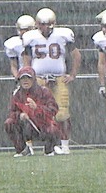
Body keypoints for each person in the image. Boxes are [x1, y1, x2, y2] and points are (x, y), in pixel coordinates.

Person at [22, 8, 81, 155]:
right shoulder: (31, 37)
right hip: (38, 80)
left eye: (48, 24)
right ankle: (41, 145)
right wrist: (29, 78)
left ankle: (64, 145)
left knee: (62, 114)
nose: (45, 27)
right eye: (42, 24)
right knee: (36, 112)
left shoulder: (63, 35)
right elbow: (26, 59)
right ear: (37, 24)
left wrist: (72, 74)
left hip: (58, 78)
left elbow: (76, 55)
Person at [4, 66, 60, 157]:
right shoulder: (17, 94)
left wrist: (37, 108)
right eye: (23, 78)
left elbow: (53, 110)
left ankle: (49, 150)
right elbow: (11, 112)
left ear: (33, 79)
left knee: (53, 129)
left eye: (28, 78)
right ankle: (22, 150)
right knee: (9, 123)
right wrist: (20, 115)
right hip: (25, 126)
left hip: (43, 126)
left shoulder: (44, 92)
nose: (25, 81)